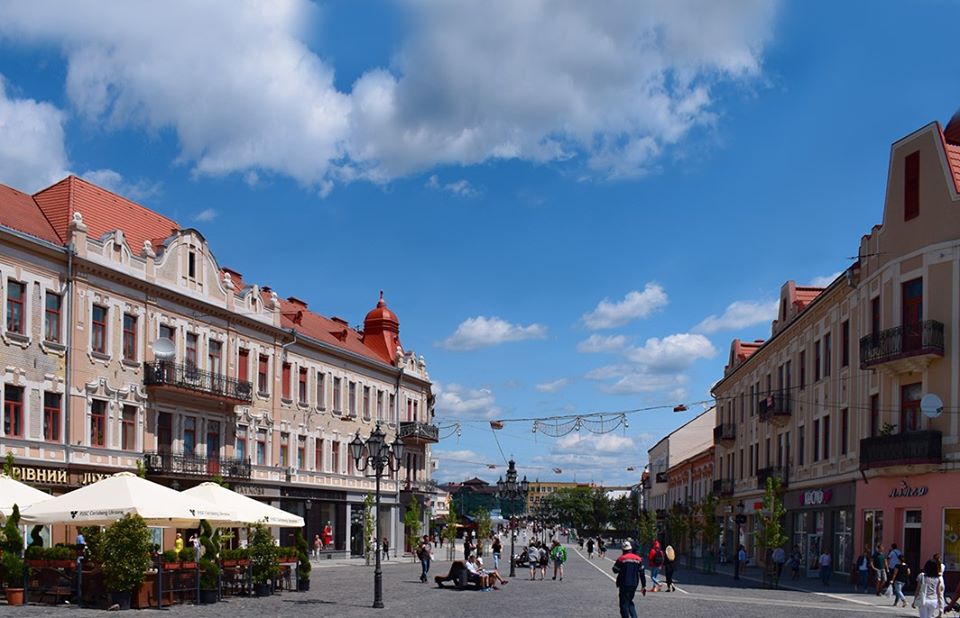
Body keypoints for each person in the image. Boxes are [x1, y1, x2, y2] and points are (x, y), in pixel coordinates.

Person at [612, 541, 646, 618]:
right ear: (630, 549)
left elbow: (615, 570)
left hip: (624, 583)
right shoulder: (638, 559)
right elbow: (642, 573)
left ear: (623, 550)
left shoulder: (621, 558)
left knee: (623, 603)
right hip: (634, 584)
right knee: (629, 601)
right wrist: (643, 586)